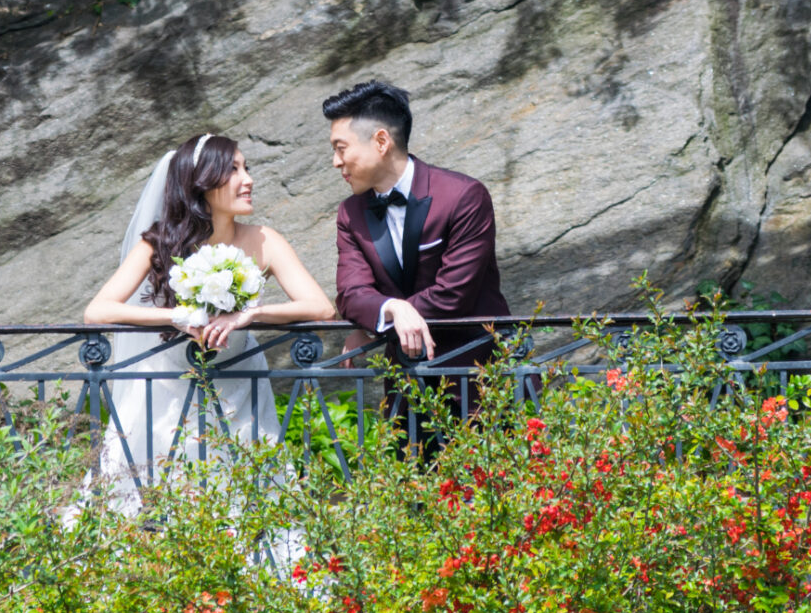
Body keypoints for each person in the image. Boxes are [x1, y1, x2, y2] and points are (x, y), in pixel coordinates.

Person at [82, 134, 336, 512]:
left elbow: (321, 307)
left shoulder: (264, 240)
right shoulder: (157, 243)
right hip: (166, 385)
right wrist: (178, 317)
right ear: (201, 182)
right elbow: (97, 311)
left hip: (240, 383)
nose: (247, 179)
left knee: (243, 489)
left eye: (246, 168)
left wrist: (251, 314)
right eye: (233, 169)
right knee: (155, 489)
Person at [325, 81, 509, 427]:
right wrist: (392, 308)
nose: (336, 162)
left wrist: (378, 328)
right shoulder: (349, 213)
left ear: (381, 141)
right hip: (406, 396)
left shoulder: (463, 196)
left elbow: (454, 293)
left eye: (341, 148)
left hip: (478, 386)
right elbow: (350, 293)